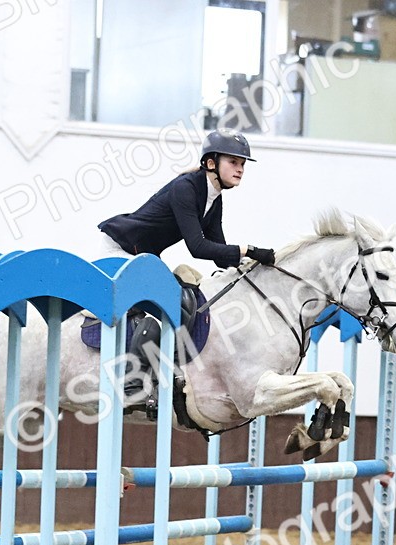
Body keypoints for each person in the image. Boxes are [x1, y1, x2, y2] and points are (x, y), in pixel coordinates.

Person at [96, 129, 277, 416]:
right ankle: (131, 384)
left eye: (243, 163)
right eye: (233, 161)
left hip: (144, 255)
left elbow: (217, 248)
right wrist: (249, 249)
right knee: (163, 304)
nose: (240, 168)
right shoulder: (186, 189)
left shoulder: (213, 196)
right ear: (210, 163)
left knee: (181, 297)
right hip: (120, 249)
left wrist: (251, 268)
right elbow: (198, 247)